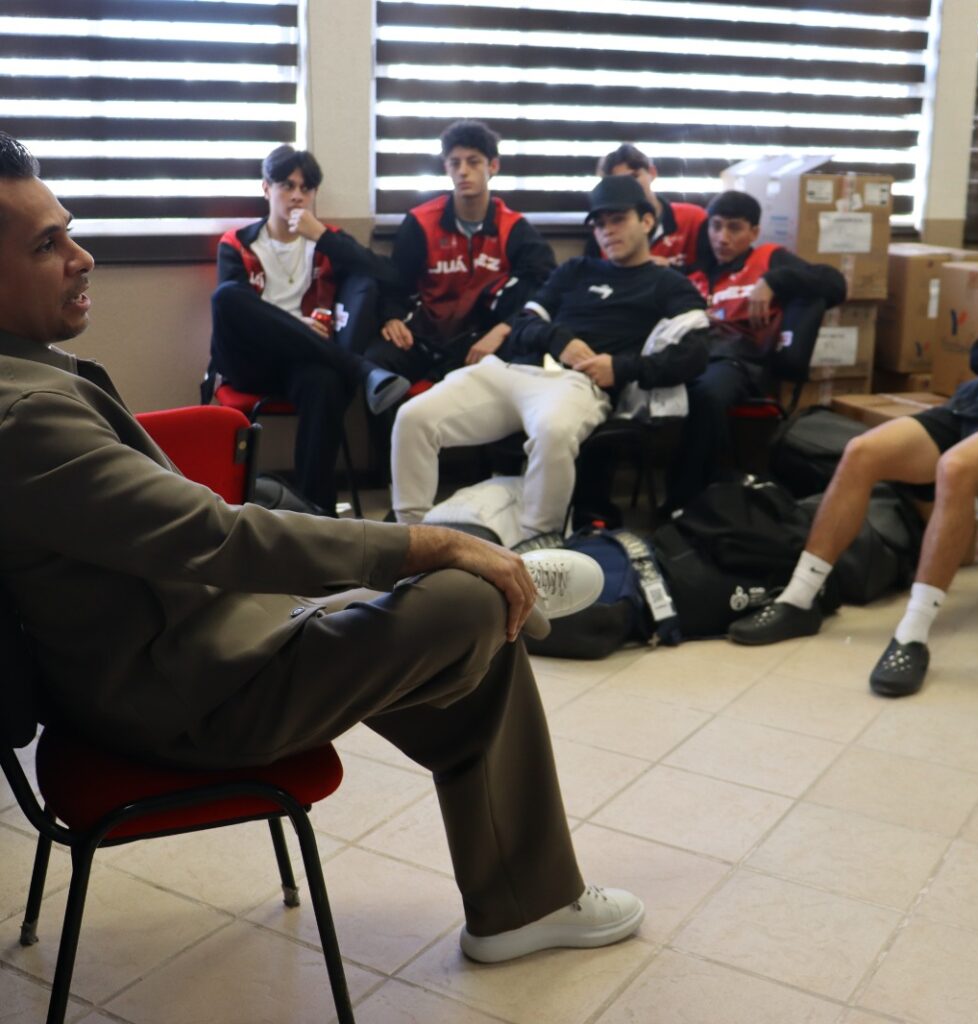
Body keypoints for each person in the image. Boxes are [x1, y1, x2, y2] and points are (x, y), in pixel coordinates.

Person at [0, 131, 643, 964]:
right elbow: (212, 537)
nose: (81, 258)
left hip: (192, 646)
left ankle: (525, 896)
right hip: (188, 699)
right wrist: (422, 542)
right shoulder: (25, 414)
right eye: (47, 245)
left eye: (71, 233)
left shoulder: (29, 376)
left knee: (470, 621)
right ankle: (526, 882)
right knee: (470, 599)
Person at [390, 174, 712, 543]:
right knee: (413, 417)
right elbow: (524, 322)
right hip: (513, 372)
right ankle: (409, 539)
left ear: (647, 220)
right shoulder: (576, 270)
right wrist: (560, 339)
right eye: (599, 224)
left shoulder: (668, 284)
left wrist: (620, 367)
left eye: (618, 219)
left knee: (553, 433)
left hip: (579, 385)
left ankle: (540, 543)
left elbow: (695, 352)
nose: (607, 231)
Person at [729, 297, 978, 698]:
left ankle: (912, 635)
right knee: (861, 452)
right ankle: (799, 599)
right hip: (975, 401)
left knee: (955, 468)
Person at [210, 144, 409, 513]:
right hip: (250, 361)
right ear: (266, 188)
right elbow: (236, 315)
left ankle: (316, 514)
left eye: (307, 188)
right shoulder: (238, 243)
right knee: (227, 296)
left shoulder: (325, 242)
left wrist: (322, 236)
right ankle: (359, 368)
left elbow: (387, 275)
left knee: (325, 382)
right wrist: (296, 324)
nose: (297, 196)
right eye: (287, 185)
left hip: (305, 361)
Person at [665, 189, 847, 509]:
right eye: (715, 226)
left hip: (739, 361)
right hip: (690, 353)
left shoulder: (768, 259)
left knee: (705, 394)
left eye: (734, 228)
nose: (722, 237)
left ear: (754, 232)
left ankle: (690, 501)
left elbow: (835, 283)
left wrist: (773, 281)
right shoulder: (694, 274)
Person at [370, 119, 556, 381]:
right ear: (446, 167)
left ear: (493, 166)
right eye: (455, 163)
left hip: (481, 342)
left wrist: (504, 329)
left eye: (473, 162)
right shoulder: (421, 222)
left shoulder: (513, 228)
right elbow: (396, 281)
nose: (463, 171)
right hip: (423, 338)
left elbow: (546, 289)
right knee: (376, 362)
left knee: (524, 355)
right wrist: (392, 318)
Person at [585, 143, 706, 269]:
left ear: (652, 173)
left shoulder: (693, 218)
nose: (629, 186)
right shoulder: (603, 230)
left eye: (634, 177)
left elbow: (712, 271)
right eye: (618, 182)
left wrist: (671, 269)